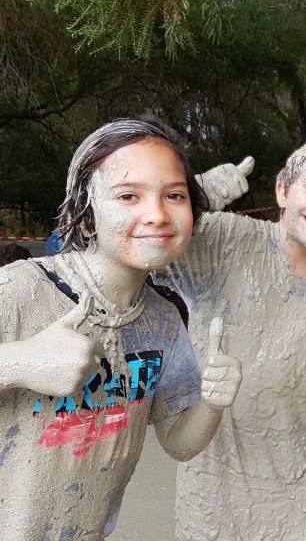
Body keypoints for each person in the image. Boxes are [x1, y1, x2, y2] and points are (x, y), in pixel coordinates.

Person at [151, 138, 306, 540]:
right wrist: (199, 193)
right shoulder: (225, 237)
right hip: (214, 484)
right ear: (282, 191)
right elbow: (143, 236)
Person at [0, 115, 242, 539]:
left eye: (175, 195)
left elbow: (178, 443)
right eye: (129, 195)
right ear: (87, 212)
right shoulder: (20, 288)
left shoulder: (164, 322)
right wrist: (18, 362)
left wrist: (213, 403)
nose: (157, 214)